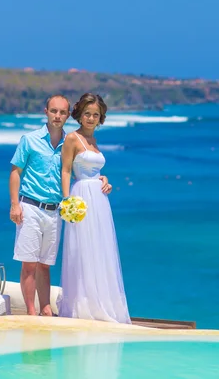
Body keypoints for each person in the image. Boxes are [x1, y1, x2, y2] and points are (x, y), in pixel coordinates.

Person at [9, 94, 112, 316]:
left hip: (55, 210)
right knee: (29, 264)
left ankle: (46, 309)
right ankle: (30, 312)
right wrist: (14, 205)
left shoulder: (70, 142)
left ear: (67, 115)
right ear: (46, 111)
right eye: (54, 111)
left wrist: (100, 179)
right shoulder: (30, 139)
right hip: (30, 207)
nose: (57, 116)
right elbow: (15, 172)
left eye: (62, 112)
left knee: (45, 264)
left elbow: (79, 172)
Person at [57, 93, 131, 324]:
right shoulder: (72, 138)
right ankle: (84, 305)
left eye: (95, 115)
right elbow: (67, 170)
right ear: (80, 115)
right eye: (87, 114)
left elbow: (94, 170)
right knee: (83, 250)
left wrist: (104, 180)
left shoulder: (94, 142)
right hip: (81, 199)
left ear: (101, 118)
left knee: (101, 249)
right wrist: (67, 201)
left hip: (100, 200)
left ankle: (103, 303)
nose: (91, 118)